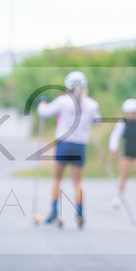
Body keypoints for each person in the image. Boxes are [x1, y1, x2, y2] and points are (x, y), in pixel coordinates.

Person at [36, 70, 100, 229]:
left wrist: (42, 103)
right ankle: (79, 214)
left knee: (57, 178)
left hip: (64, 143)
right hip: (80, 145)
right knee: (77, 181)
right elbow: (96, 121)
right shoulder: (91, 104)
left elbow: (44, 112)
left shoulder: (63, 101)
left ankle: (54, 210)